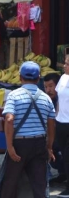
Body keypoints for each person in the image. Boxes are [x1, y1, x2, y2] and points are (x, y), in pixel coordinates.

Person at [0, 61, 56, 198]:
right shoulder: (46, 98)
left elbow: (9, 119)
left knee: (10, 183)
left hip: (19, 145)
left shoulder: (14, 96)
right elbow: (52, 124)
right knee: (39, 185)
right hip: (39, 143)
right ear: (38, 78)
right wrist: (49, 147)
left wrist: (10, 146)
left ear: (20, 77)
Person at [44, 72, 66, 184]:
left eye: (51, 86)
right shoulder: (46, 101)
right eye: (46, 87)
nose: (48, 90)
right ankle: (63, 174)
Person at [54, 55, 69, 197]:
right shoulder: (63, 78)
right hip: (61, 123)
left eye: (67, 64)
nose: (64, 66)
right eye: (65, 63)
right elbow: (59, 99)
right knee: (63, 155)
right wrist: (57, 115)